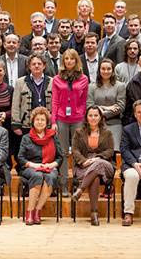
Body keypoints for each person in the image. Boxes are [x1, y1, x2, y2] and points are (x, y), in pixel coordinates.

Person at [51, 48, 89, 194]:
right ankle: (64, 184)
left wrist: (83, 117)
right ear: (63, 61)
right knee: (63, 152)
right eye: (66, 59)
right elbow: (54, 101)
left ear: (76, 61)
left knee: (78, 151)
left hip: (78, 119)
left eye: (72, 58)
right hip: (61, 119)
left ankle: (78, 183)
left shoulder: (83, 78)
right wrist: (53, 121)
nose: (69, 61)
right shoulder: (57, 79)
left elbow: (84, 101)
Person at [71, 106, 116, 226]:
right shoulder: (78, 132)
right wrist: (84, 161)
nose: (93, 118)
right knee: (95, 178)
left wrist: (97, 158)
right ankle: (94, 213)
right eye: (90, 115)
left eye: (96, 115)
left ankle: (80, 190)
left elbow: (110, 151)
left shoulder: (107, 133)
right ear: (86, 117)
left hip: (104, 164)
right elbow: (75, 150)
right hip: (84, 166)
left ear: (100, 117)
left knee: (98, 164)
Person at [18, 107, 62, 226]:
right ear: (33, 121)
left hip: (49, 166)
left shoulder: (53, 136)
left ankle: (37, 211)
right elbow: (21, 158)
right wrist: (35, 165)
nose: (40, 122)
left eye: (43, 119)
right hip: (30, 167)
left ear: (47, 122)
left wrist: (51, 165)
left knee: (50, 177)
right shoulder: (26, 138)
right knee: (37, 176)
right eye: (37, 119)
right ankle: (29, 212)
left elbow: (60, 157)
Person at [88, 59, 126, 147]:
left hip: (114, 123)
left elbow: (120, 107)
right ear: (99, 70)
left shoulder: (120, 86)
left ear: (113, 71)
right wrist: (108, 108)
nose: (106, 71)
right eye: (103, 69)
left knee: (114, 151)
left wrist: (100, 110)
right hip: (95, 124)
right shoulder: (91, 87)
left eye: (108, 69)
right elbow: (89, 106)